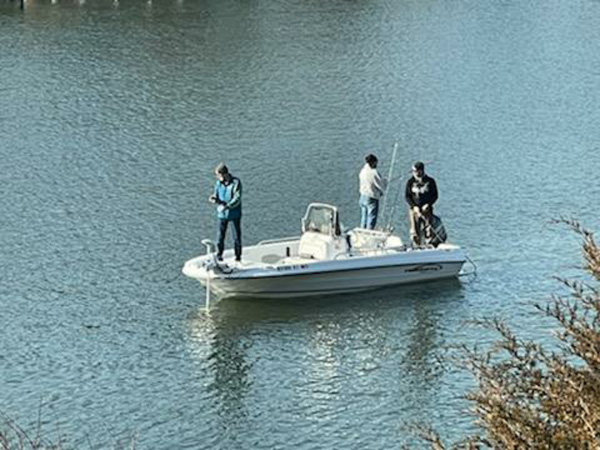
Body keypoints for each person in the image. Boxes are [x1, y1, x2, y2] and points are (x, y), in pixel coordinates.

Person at [209, 163, 242, 262]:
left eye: (218, 175)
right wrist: (213, 198)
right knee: (220, 237)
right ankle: (219, 255)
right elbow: (216, 194)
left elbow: (237, 198)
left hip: (234, 214)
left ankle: (238, 257)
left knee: (236, 237)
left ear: (224, 174)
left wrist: (228, 206)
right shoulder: (218, 183)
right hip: (222, 215)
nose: (217, 177)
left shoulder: (236, 183)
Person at [405, 161, 438, 245]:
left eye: (416, 171)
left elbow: (435, 195)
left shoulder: (430, 181)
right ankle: (417, 245)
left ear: (421, 171)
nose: (414, 173)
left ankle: (429, 245)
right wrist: (414, 206)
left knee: (429, 230)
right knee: (415, 231)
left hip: (426, 209)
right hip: (414, 210)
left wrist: (428, 204)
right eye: (413, 171)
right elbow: (407, 196)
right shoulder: (410, 182)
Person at [359, 154, 387, 229]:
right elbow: (381, 185)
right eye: (376, 163)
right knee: (371, 218)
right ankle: (368, 233)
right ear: (373, 162)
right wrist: (385, 182)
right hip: (371, 198)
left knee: (364, 218)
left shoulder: (362, 171)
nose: (376, 165)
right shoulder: (374, 172)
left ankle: (362, 231)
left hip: (362, 197)